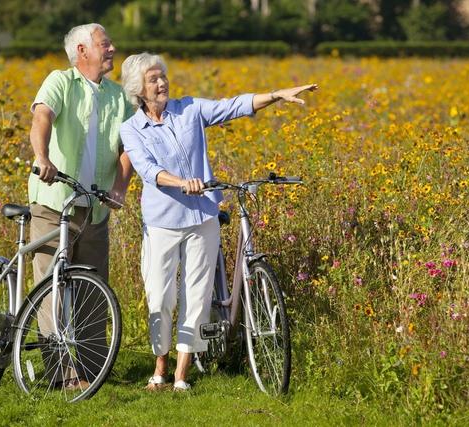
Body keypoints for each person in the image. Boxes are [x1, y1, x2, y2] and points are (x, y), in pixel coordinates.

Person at [119, 52, 317, 391]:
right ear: (139, 90)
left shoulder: (189, 109)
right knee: (160, 297)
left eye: (162, 76)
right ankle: (159, 366)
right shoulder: (132, 129)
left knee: (196, 296)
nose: (162, 83)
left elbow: (233, 106)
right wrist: (181, 182)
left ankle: (180, 375)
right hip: (163, 222)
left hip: (203, 217)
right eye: (153, 79)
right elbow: (149, 170)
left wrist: (276, 95)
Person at [28, 23, 133, 390]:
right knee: (52, 288)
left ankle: (91, 372)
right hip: (54, 202)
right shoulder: (60, 81)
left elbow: (129, 148)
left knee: (93, 291)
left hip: (95, 209)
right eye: (105, 44)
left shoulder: (118, 97)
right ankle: (60, 372)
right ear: (83, 50)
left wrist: (120, 187)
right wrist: (42, 157)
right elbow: (42, 116)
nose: (112, 49)